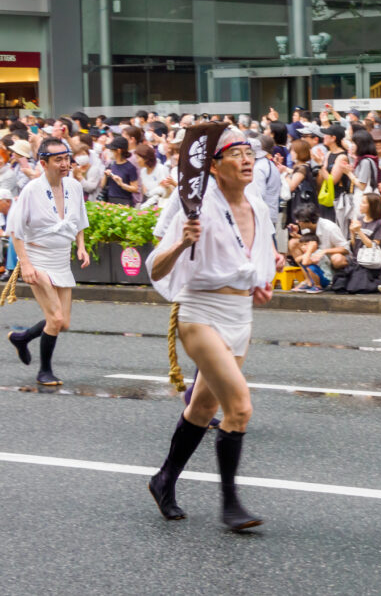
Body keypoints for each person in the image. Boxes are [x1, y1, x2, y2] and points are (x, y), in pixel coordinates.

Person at [146, 129, 278, 531]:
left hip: (240, 313)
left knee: (203, 408)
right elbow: (155, 267)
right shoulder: (196, 207)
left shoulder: (257, 204)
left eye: (249, 153)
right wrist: (179, 243)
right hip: (200, 311)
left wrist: (259, 281)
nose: (246, 159)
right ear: (215, 167)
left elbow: (257, 254)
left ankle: (163, 479)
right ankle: (231, 504)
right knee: (238, 407)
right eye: (235, 154)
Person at [6, 139, 90, 386]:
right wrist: (26, 265)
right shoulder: (31, 190)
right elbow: (16, 231)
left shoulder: (74, 186)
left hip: (61, 258)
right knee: (54, 319)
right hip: (37, 258)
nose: (66, 164)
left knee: (63, 323)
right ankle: (44, 371)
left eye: (67, 158)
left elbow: (79, 221)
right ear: (43, 163)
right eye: (59, 160)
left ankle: (22, 338)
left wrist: (81, 247)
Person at [288, 204, 349, 292]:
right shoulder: (307, 227)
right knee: (293, 242)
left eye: (299, 220)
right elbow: (312, 242)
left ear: (307, 220)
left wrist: (324, 251)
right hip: (316, 258)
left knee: (337, 258)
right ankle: (309, 280)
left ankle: (338, 280)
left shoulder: (329, 227)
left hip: (330, 259)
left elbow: (345, 249)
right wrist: (297, 235)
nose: (297, 222)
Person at [102, 137, 139, 205]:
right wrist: (105, 175)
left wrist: (122, 184)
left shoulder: (130, 167)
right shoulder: (111, 164)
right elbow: (102, 185)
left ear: (118, 151)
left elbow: (135, 189)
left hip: (124, 201)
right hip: (110, 200)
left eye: (112, 150)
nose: (110, 152)